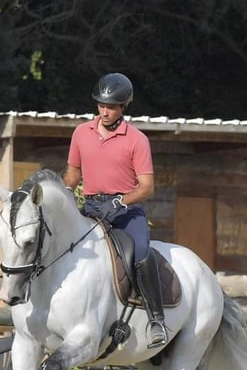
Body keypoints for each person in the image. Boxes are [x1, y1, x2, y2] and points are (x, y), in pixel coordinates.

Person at [63, 72, 168, 348]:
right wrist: (58, 195)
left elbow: (147, 187)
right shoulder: (80, 133)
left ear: (123, 107)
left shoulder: (137, 139)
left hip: (126, 210)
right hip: (92, 207)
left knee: (142, 255)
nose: (105, 111)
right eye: (101, 105)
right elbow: (72, 176)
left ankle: (157, 320)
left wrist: (120, 201)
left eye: (111, 107)